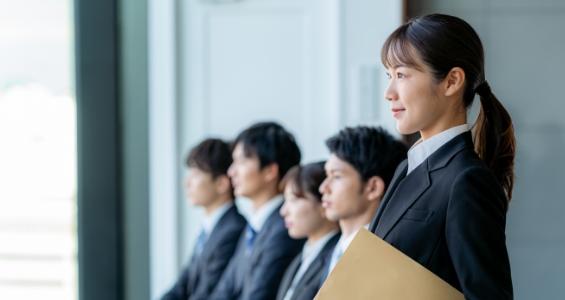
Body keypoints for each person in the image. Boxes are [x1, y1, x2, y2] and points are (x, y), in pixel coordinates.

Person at [368, 14, 516, 299]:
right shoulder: (406, 167)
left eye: (401, 75)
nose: (389, 92)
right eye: (389, 75)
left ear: (451, 81)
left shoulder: (467, 180)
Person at [210, 122, 306, 300]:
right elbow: (223, 290)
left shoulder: (284, 228)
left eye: (241, 161)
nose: (231, 172)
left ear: (270, 170)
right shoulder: (253, 227)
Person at [318, 126, 407, 286]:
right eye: (327, 175)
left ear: (373, 188)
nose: (323, 187)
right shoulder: (330, 252)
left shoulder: (387, 259)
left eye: (336, 176)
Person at [161, 139, 247, 300]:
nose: (186, 183)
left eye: (195, 174)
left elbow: (207, 292)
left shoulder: (233, 229)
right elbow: (182, 284)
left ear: (222, 184)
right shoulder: (209, 228)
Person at [276, 162, 340, 300]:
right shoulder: (301, 256)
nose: (283, 211)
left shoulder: (337, 257)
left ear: (323, 204)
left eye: (293, 200)